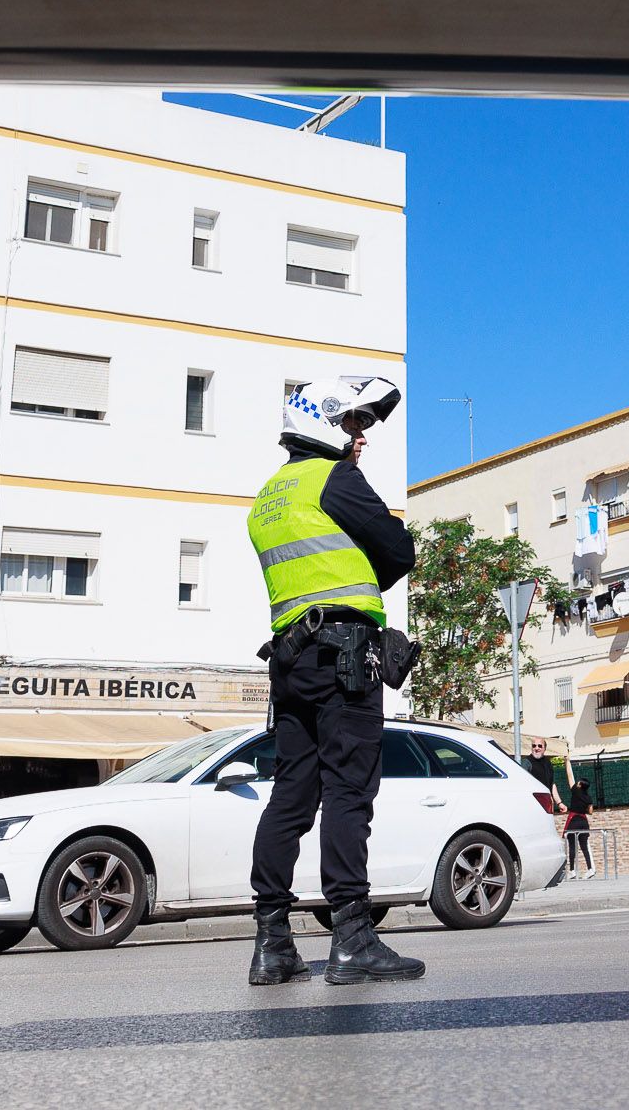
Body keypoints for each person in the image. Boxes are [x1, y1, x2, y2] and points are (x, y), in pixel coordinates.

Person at [244, 374, 423, 987]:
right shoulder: (334, 479)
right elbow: (399, 551)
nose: (361, 436)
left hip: (289, 665)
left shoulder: (267, 498)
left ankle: (272, 943)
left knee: (291, 796)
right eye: (353, 423)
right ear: (324, 422)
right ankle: (352, 937)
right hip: (343, 657)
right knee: (349, 790)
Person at [564, 777, 594, 874]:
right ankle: (590, 869)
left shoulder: (576, 791)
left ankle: (572, 870)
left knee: (572, 846)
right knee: (584, 847)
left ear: (580, 785)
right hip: (583, 822)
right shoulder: (588, 797)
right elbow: (590, 811)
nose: (576, 783)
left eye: (578, 783)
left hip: (574, 821)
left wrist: (567, 762)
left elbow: (570, 778)